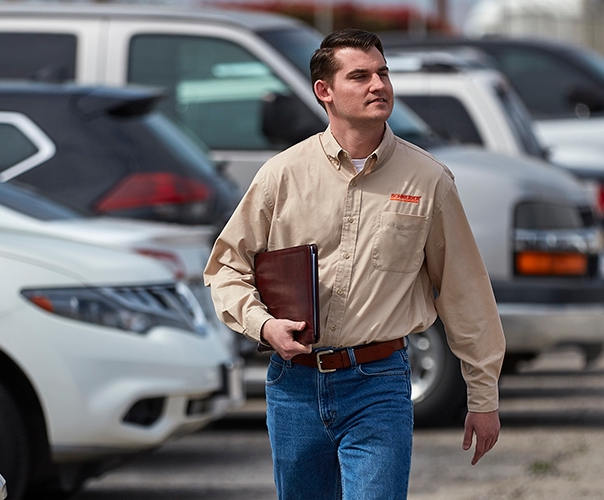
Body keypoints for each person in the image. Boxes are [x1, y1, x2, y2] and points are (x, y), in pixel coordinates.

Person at [204, 28, 505, 500]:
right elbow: (225, 268)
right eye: (360, 76)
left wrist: (483, 398)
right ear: (324, 91)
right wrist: (263, 326)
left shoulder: (429, 179)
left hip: (379, 384)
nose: (378, 85)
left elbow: (465, 290)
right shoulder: (281, 175)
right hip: (293, 385)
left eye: (383, 73)